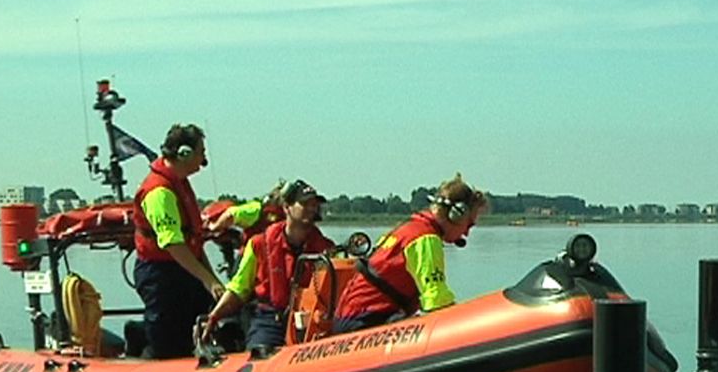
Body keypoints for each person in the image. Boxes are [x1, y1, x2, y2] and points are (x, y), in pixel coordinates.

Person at [333, 173, 486, 334]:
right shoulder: (426, 240)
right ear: (455, 215)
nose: (467, 233)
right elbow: (437, 301)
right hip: (366, 321)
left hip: (351, 318)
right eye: (468, 225)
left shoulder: (408, 229)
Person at [203, 179, 335, 350]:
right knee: (259, 352)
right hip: (270, 319)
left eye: (314, 204)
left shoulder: (327, 249)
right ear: (287, 207)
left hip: (312, 319)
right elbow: (239, 288)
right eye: (305, 204)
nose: (312, 209)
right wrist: (213, 317)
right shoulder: (259, 245)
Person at [132, 123, 224, 359]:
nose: (204, 160)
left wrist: (211, 279)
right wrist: (209, 280)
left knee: (203, 314)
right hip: (160, 274)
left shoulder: (179, 182)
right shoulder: (159, 193)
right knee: (167, 339)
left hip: (185, 269)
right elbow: (173, 244)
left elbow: (193, 241)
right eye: (201, 152)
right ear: (184, 153)